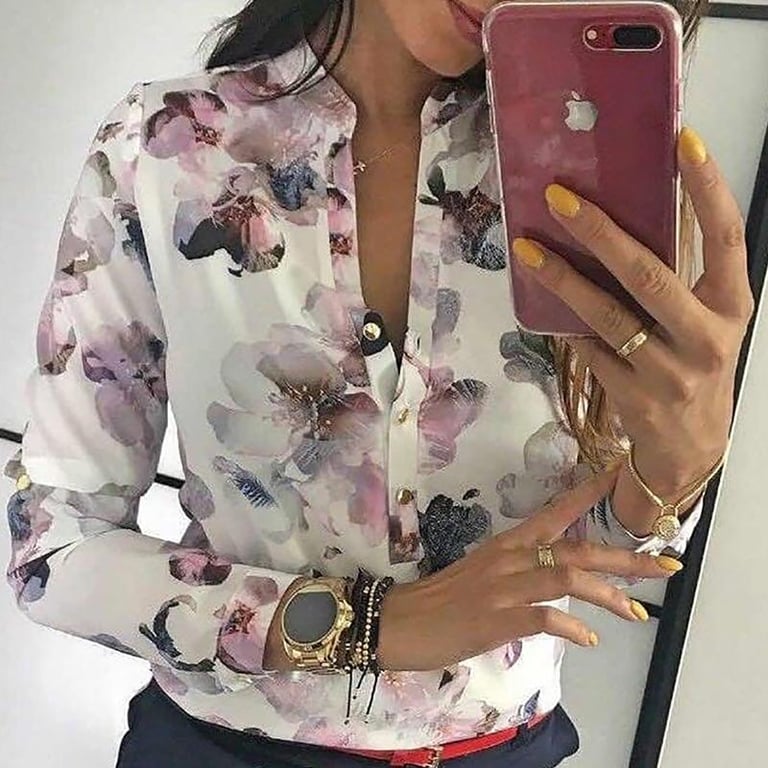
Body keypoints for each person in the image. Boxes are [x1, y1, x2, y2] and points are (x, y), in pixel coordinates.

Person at [4, 1, 752, 766]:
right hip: (218, 748)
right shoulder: (167, 148)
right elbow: (53, 547)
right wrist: (366, 625)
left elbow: (580, 548)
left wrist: (678, 467)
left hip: (505, 749)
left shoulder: (591, 170)